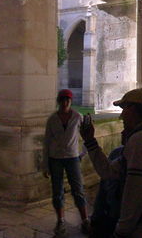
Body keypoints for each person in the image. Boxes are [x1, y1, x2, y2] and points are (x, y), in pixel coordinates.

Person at [80, 88, 142, 238]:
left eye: (123, 109)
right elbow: (109, 172)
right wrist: (90, 141)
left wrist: (122, 230)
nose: (121, 116)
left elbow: (137, 190)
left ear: (132, 110)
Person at [42, 89, 91, 236]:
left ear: (71, 101)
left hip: (72, 158)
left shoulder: (77, 117)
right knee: (57, 191)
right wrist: (45, 165)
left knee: (78, 190)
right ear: (58, 101)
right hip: (55, 158)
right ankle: (61, 221)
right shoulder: (52, 119)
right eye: (62, 100)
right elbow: (47, 142)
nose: (65, 103)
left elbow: (88, 135)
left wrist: (82, 153)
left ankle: (85, 220)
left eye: (67, 100)